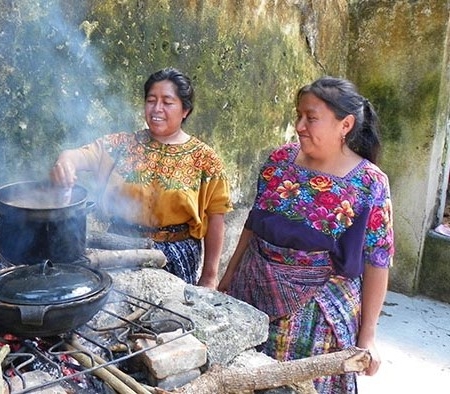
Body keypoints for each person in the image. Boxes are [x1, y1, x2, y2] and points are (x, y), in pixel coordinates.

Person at [218, 76, 394, 393]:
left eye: (311, 118)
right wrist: (228, 278)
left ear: (346, 125)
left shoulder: (369, 183)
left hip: (315, 317)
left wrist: (367, 335)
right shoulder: (278, 161)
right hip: (251, 295)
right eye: (299, 115)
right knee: (242, 379)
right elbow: (253, 223)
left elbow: (378, 260)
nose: (300, 125)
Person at [51, 67, 233, 289]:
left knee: (167, 317)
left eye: (167, 102)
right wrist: (65, 162)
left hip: (175, 256)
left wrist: (210, 276)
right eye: (151, 100)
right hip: (119, 248)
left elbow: (216, 218)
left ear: (185, 110)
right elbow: (79, 155)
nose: (157, 109)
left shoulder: (204, 159)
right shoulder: (121, 145)